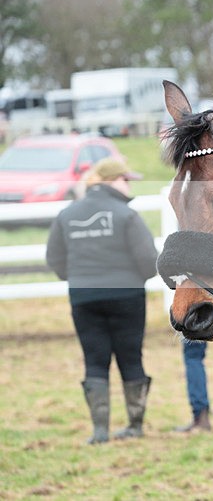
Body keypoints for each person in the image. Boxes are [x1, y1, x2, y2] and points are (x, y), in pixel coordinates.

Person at [46, 158, 157, 444]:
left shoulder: (67, 214)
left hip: (84, 297)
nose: (128, 184)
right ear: (110, 181)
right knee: (130, 358)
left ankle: (99, 431)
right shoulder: (126, 215)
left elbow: (54, 260)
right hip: (126, 296)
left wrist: (79, 279)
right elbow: (148, 261)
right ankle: (134, 425)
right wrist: (135, 278)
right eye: (125, 179)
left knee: (94, 361)